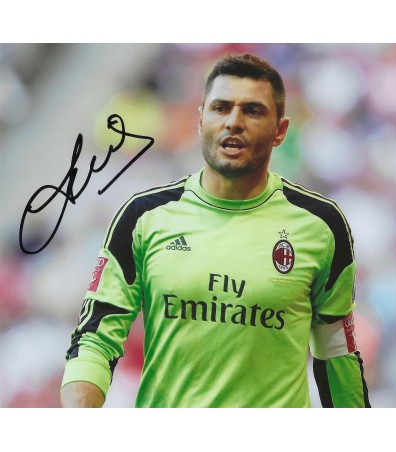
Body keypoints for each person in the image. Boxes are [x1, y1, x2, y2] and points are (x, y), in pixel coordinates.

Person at [60, 53, 371, 408]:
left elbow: (336, 352)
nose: (233, 122)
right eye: (220, 108)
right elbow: (95, 339)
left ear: (280, 131)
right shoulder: (144, 217)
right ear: (200, 121)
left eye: (252, 111)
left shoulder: (321, 225)